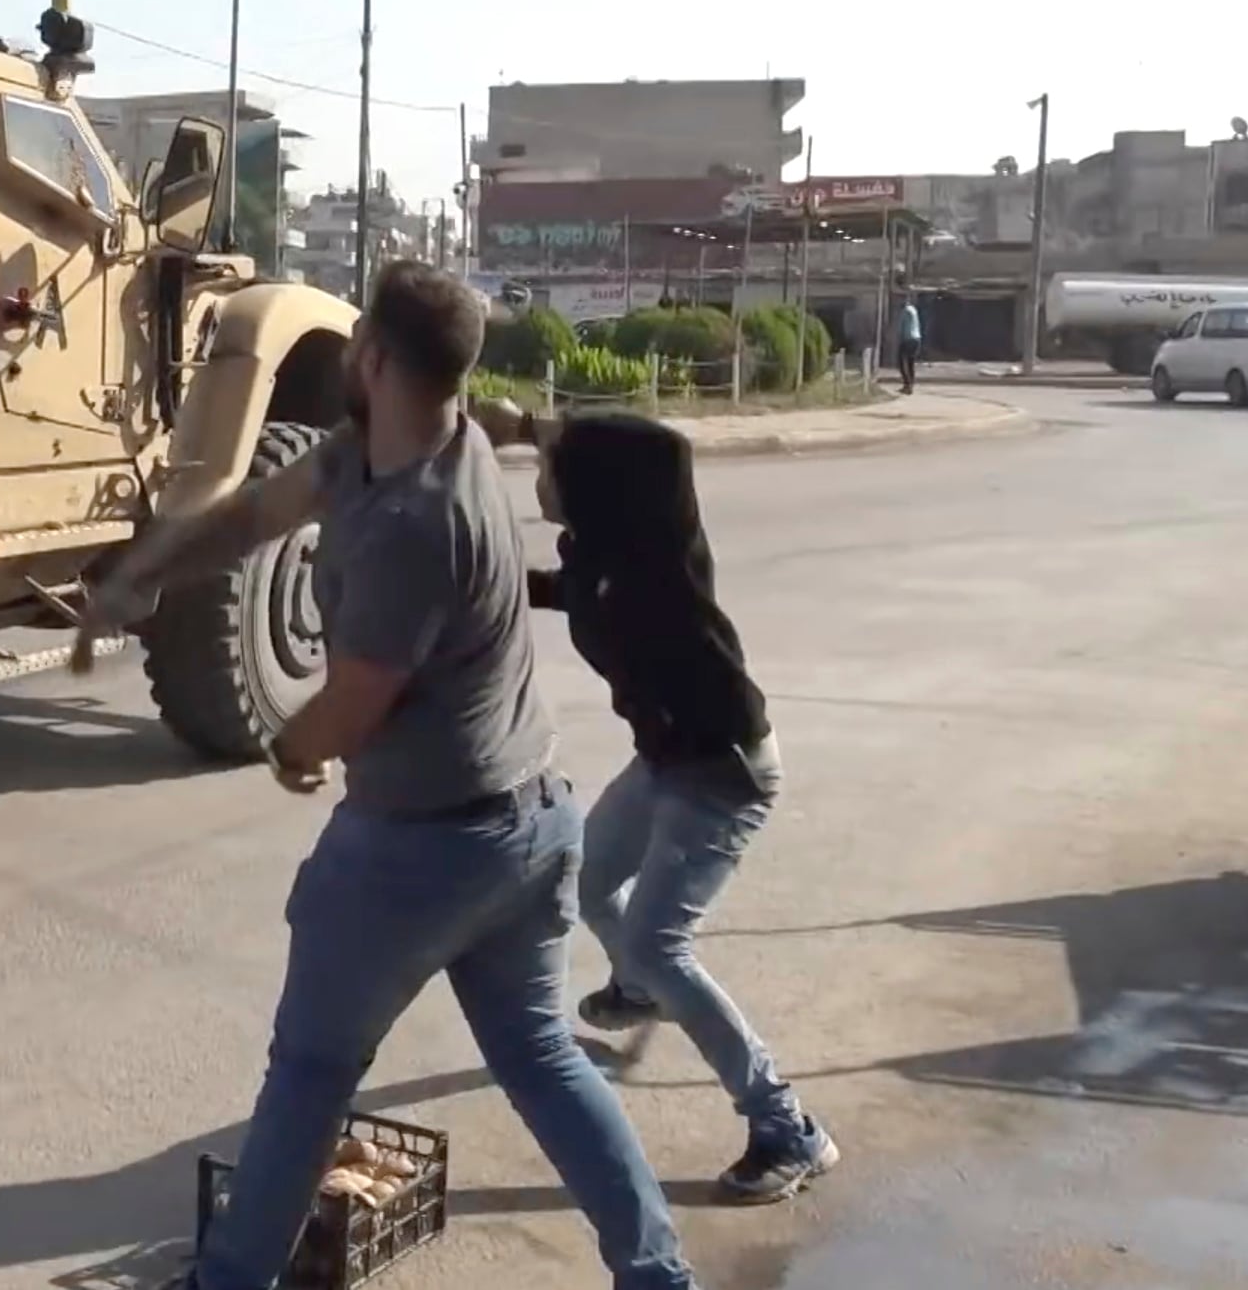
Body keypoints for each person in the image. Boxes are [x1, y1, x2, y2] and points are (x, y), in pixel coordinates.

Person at [84, 262, 697, 1290]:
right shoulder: (394, 450)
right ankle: (657, 1274)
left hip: (425, 848)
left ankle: (227, 1280)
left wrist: (290, 748)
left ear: (371, 354)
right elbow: (246, 519)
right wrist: (142, 573)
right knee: (543, 1057)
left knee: (311, 1071)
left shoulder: (418, 519)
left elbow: (351, 705)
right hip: (530, 826)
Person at [524, 411, 841, 1205]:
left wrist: (538, 422)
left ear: (590, 485)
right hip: (666, 761)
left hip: (725, 770)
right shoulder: (599, 562)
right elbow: (566, 591)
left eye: (549, 466)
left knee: (662, 943)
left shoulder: (659, 553)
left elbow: (667, 447)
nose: (537, 476)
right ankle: (637, 986)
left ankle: (787, 1127)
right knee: (589, 880)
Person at [895, 296, 924, 395]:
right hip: (917, 338)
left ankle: (907, 385)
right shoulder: (913, 310)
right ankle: (910, 385)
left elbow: (901, 327)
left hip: (907, 339)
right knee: (911, 363)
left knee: (901, 363)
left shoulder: (905, 311)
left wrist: (897, 339)